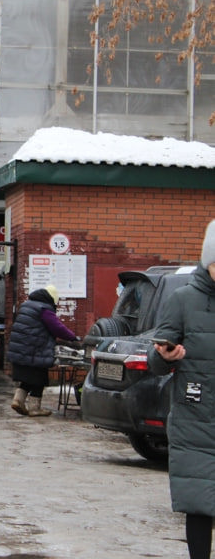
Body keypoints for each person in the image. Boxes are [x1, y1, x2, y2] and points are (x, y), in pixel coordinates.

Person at [147, 219, 215, 559]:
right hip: (196, 417)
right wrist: (167, 355)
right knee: (200, 502)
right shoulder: (183, 299)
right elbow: (155, 358)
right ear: (207, 261)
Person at [7, 284, 80, 416]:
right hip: (35, 349)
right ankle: (35, 408)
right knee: (39, 378)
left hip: (22, 348)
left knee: (28, 376)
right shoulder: (44, 309)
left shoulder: (27, 305)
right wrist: (73, 337)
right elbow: (57, 328)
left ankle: (18, 400)